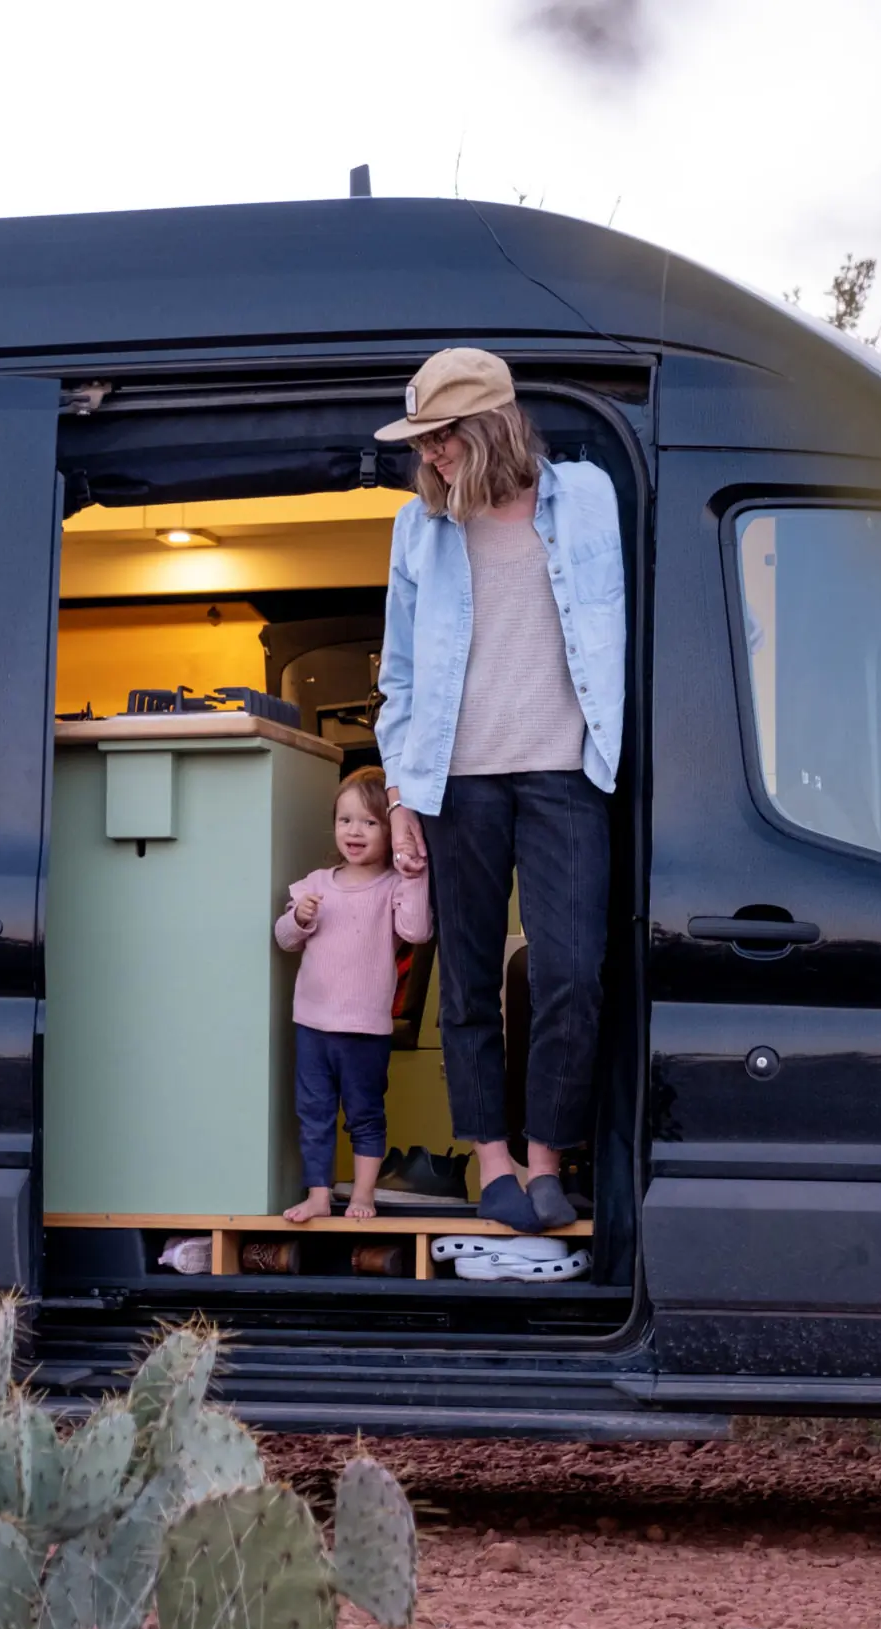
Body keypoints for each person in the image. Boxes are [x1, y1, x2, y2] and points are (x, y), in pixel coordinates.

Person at [372, 347, 623, 1236]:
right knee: (469, 982)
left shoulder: (591, 498)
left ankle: (549, 1154)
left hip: (565, 773)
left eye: (443, 439)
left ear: (490, 427)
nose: (432, 457)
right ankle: (491, 1157)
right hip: (456, 782)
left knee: (568, 973)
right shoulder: (418, 528)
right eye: (424, 444)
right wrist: (401, 796)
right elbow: (399, 677)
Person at [274, 766, 433, 1222]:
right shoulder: (316, 884)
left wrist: (415, 876)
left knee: (364, 1114)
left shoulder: (392, 888)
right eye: (345, 820)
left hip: (364, 1029)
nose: (354, 831)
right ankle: (319, 1194)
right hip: (312, 1024)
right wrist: (299, 917)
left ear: (393, 830)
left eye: (369, 822)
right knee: (315, 1114)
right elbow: (285, 938)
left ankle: (364, 1194)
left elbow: (418, 931)